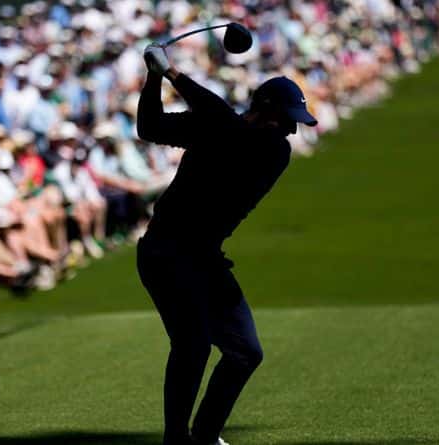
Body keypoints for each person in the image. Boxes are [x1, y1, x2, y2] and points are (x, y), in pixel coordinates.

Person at [135, 44, 317, 445]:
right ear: (265, 109)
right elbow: (149, 127)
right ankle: (177, 439)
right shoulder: (219, 128)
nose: (292, 129)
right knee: (193, 345)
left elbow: (224, 123)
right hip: (164, 254)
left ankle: (204, 436)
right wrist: (153, 77)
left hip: (201, 257)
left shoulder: (273, 150)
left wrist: (172, 73)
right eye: (287, 119)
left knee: (245, 352)